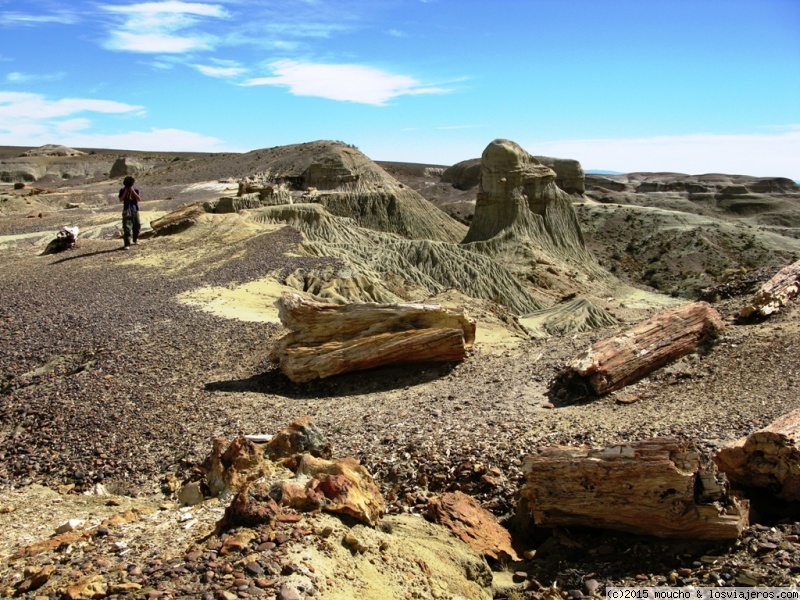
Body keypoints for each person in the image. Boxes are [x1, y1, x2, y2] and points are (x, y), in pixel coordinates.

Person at [118, 175, 142, 249]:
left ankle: (135, 239)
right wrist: (125, 192)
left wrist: (133, 191)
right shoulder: (122, 190)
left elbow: (139, 199)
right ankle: (127, 244)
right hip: (126, 210)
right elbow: (121, 200)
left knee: (137, 225)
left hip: (134, 210)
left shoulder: (136, 189)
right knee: (127, 228)